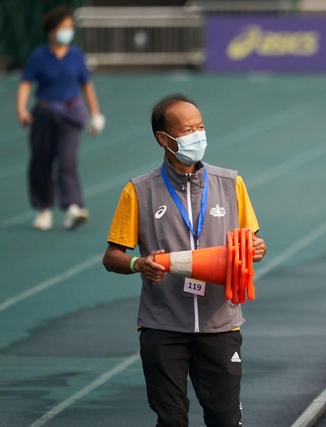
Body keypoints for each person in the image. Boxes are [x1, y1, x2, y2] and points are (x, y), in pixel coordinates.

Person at [102, 93, 266, 427]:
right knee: (172, 421)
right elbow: (112, 256)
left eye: (200, 127)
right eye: (188, 129)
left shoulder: (231, 183)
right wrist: (138, 264)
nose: (197, 135)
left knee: (224, 420)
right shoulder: (139, 190)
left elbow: (251, 242)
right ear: (164, 139)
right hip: (163, 326)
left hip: (219, 324)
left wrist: (256, 249)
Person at [16, 5, 105, 231]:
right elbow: (26, 85)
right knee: (41, 162)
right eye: (63, 27)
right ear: (51, 31)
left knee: (67, 161)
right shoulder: (38, 57)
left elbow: (86, 85)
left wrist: (96, 113)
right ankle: (43, 208)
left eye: (70, 27)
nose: (68, 31)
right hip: (44, 113)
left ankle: (73, 206)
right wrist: (21, 109)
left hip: (71, 115)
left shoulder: (76, 55)